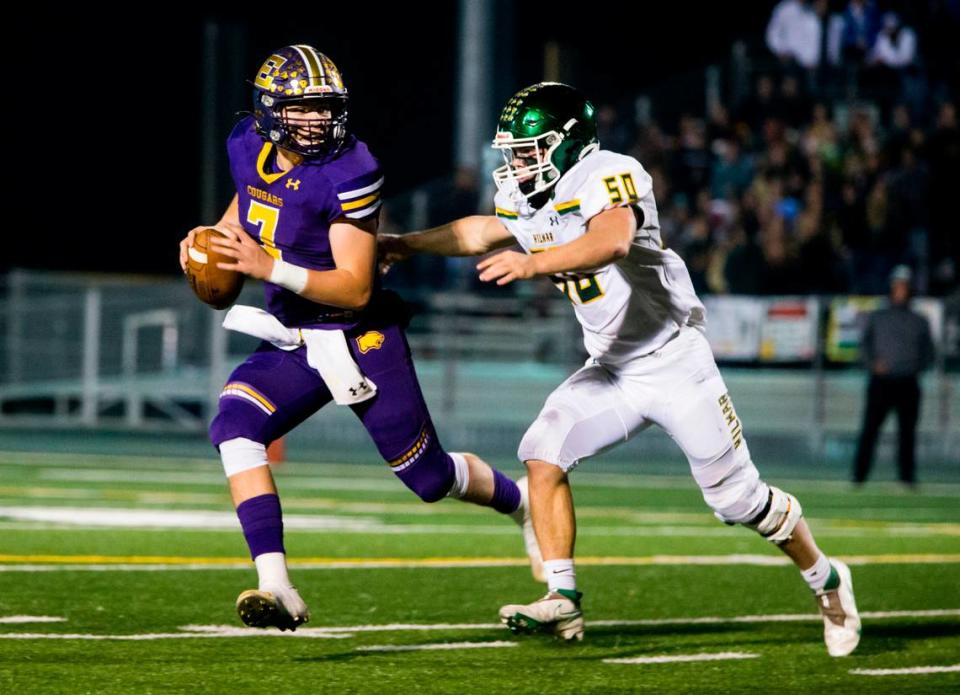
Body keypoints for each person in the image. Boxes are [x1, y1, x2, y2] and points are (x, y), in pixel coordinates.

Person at [380, 82, 861, 656]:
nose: (517, 165)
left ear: (568, 145)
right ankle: (563, 601)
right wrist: (405, 244)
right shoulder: (528, 196)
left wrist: (533, 264)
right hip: (612, 367)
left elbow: (610, 242)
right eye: (513, 152)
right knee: (543, 451)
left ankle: (826, 579)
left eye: (529, 151)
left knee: (738, 500)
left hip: (674, 362)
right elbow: (481, 230)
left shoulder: (610, 172)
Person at [178, 45, 540, 632]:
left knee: (427, 479)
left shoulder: (350, 170)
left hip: (358, 335)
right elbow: (246, 205)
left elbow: (352, 289)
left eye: (326, 108)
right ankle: (276, 586)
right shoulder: (247, 143)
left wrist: (266, 269)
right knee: (234, 428)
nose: (318, 120)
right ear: (270, 110)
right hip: (294, 334)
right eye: (303, 108)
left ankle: (522, 501)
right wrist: (209, 238)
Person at [853, 265, 935, 486]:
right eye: (897, 285)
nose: (900, 290)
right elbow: (864, 347)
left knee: (907, 433)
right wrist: (873, 365)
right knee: (870, 430)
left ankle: (906, 477)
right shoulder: (878, 316)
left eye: (904, 286)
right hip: (881, 382)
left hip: (908, 382)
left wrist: (913, 367)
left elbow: (929, 353)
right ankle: (859, 476)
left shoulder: (919, 320)